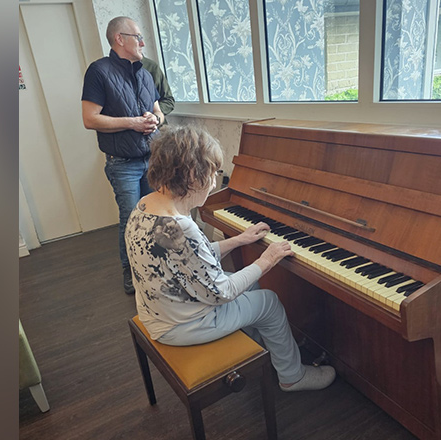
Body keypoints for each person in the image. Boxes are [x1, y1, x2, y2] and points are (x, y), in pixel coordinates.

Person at [125, 126, 336, 392]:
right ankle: (293, 377)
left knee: (251, 286)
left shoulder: (146, 205)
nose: (215, 182)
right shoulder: (179, 226)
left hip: (162, 311)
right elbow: (221, 292)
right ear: (192, 175)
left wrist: (238, 240)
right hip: (183, 325)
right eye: (213, 173)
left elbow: (190, 261)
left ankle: (264, 347)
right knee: (269, 301)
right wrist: (266, 260)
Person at [81, 16, 164, 294]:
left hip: (151, 159)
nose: (142, 42)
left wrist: (155, 120)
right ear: (120, 39)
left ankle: (153, 267)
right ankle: (130, 274)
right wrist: (133, 122)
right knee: (131, 220)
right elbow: (90, 119)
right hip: (123, 165)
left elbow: (157, 110)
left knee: (153, 216)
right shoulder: (98, 71)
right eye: (137, 36)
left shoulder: (145, 73)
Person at [140, 57, 174, 127]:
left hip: (157, 130)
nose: (142, 45)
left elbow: (168, 100)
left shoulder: (151, 67)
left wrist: (153, 116)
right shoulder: (112, 72)